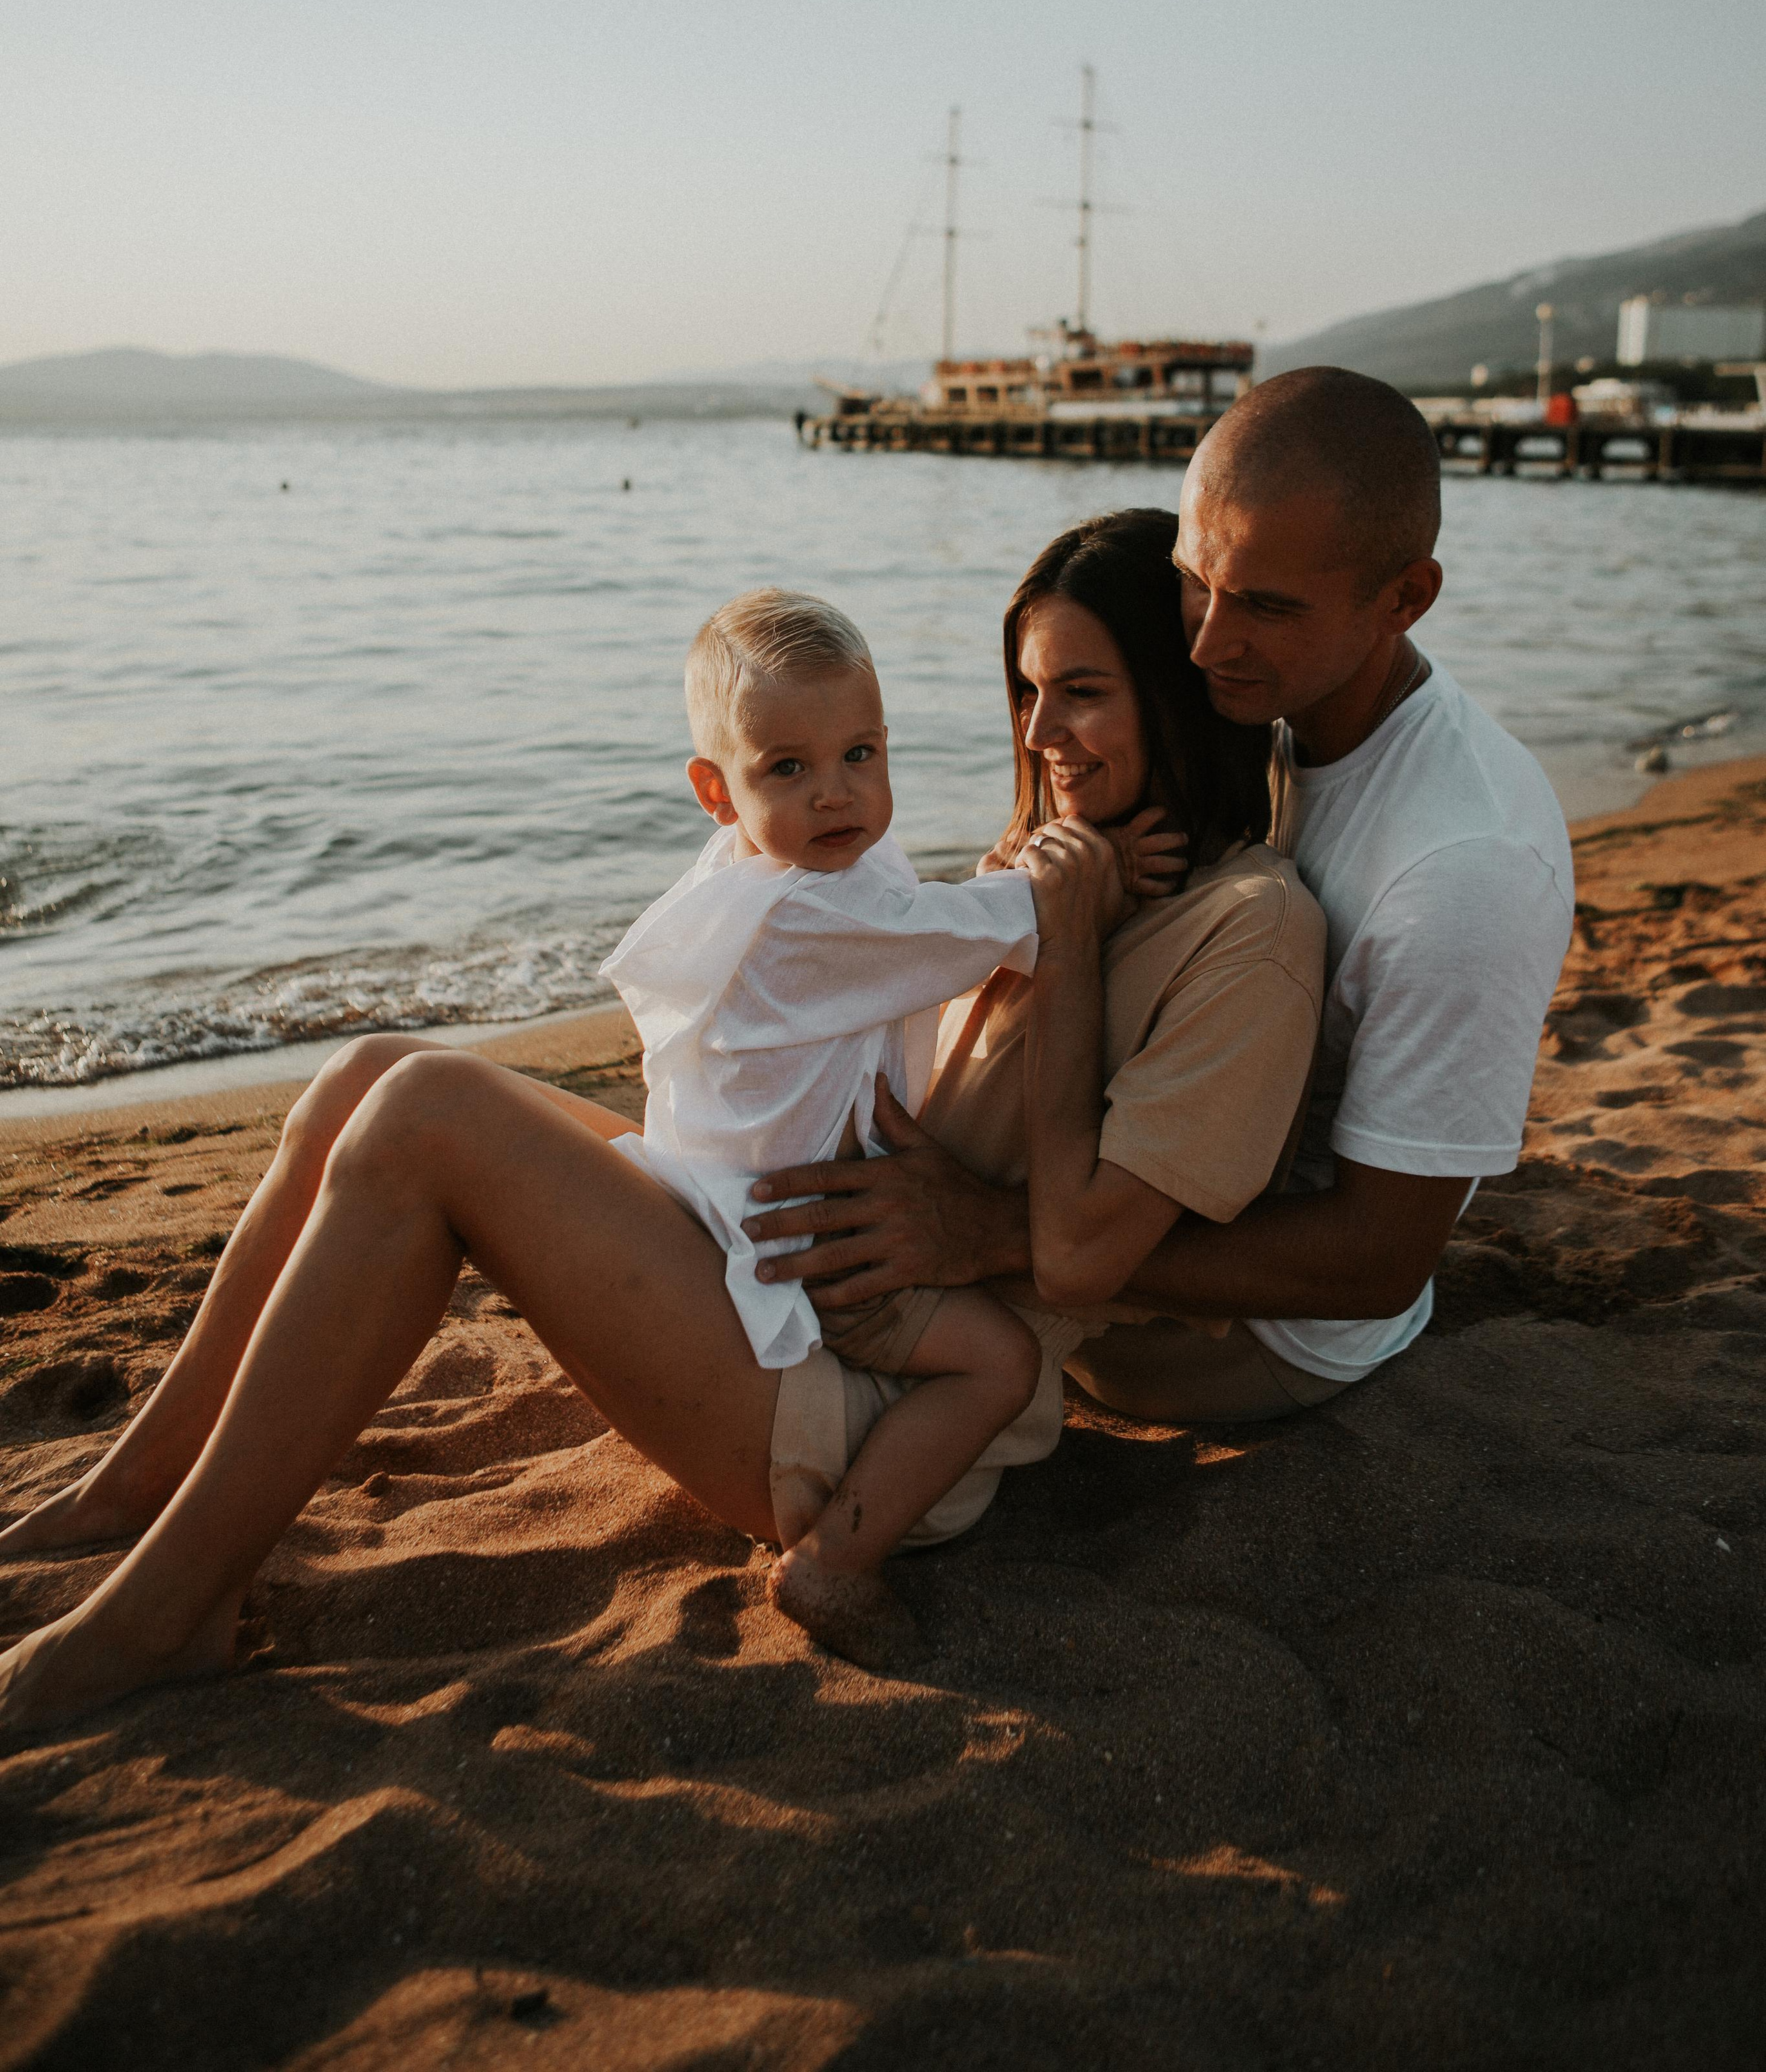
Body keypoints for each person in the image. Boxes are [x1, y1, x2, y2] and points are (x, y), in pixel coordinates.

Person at [1, 508, 1287, 1735]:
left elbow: (1088, 1250)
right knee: (371, 1071)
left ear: (1173, 693)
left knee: (428, 1114)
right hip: (786, 1255)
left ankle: (172, 1612)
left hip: (868, 1399)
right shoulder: (1049, 864)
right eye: (1026, 691)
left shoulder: (1225, 923)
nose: (1042, 731)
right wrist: (1056, 891)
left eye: (1085, 692)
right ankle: (146, 1480)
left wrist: (994, 1146)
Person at [748, 373, 1575, 1426]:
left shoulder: (1465, 869)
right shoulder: (1259, 712)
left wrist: (993, 1230)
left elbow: (1376, 1264)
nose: (1204, 643)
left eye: (1266, 607)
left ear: (1404, 599)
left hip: (1235, 1341)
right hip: (1096, 1243)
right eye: (1196, 580)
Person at [602, 583, 1174, 1667]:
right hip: (816, 1252)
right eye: (790, 769)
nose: (838, 794)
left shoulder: (768, 877)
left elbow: (916, 920)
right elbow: (981, 932)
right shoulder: (802, 911)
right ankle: (838, 1558)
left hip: (734, 1203)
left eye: (862, 753)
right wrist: (1094, 877)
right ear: (715, 791)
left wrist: (993, 878)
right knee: (998, 1366)